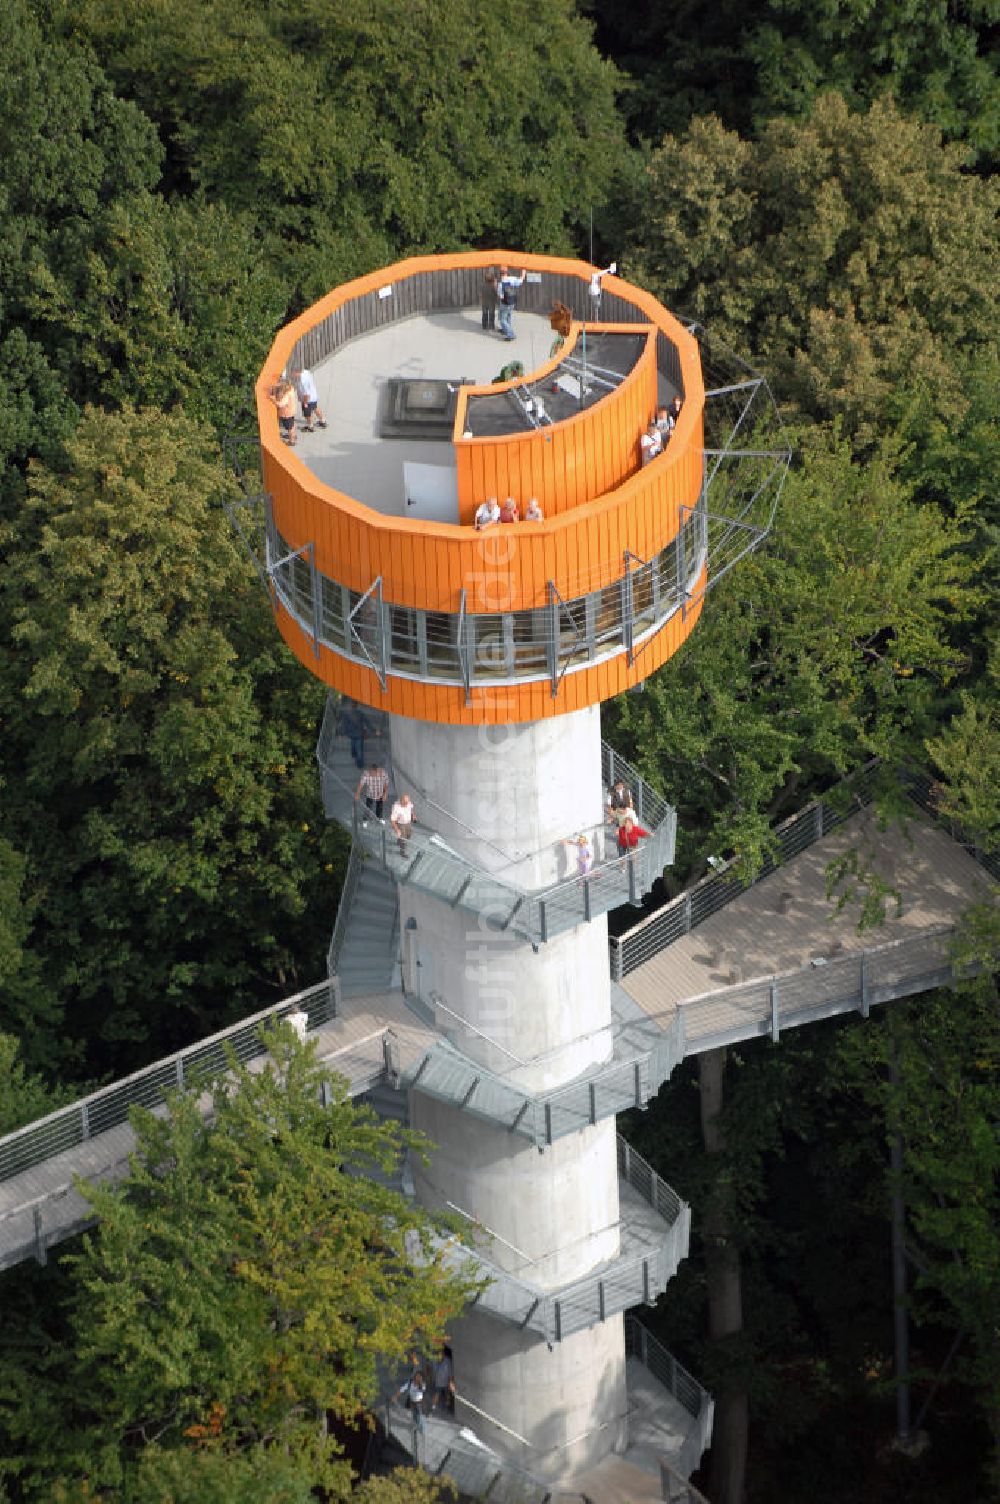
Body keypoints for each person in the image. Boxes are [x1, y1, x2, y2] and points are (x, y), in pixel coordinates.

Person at [291, 367, 328, 432]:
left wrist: (305, 403)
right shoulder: (305, 372)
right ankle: (323, 421)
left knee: (307, 414)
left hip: (307, 399)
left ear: (297, 372)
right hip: (313, 396)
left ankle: (310, 426)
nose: (292, 374)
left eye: (293, 373)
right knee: (315, 408)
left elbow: (306, 395)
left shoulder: (303, 381)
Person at [337, 699, 369, 769]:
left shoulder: (347, 714)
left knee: (355, 746)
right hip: (357, 734)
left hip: (353, 734)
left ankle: (356, 757)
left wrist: (341, 734)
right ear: (356, 705)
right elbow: (367, 722)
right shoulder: (359, 713)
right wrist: (373, 730)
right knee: (357, 749)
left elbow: (343, 725)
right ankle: (358, 762)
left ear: (350, 705)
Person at [497, 265, 526, 341]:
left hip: (505, 304)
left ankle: (510, 334)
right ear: (507, 272)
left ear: (500, 274)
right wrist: (523, 273)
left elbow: (500, 296)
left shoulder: (500, 284)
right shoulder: (512, 279)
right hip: (512, 302)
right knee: (508, 316)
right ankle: (505, 330)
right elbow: (521, 281)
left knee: (503, 319)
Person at [356, 760, 389, 825]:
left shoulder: (383, 773)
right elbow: (361, 785)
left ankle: (379, 818)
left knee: (380, 807)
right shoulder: (366, 774)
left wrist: (385, 794)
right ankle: (365, 820)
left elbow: (386, 783)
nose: (372, 774)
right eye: (371, 773)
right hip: (370, 794)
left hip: (380, 793)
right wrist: (357, 794)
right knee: (368, 807)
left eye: (374, 773)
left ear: (377, 771)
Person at [268, 376, 298, 446]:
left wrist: (273, 400)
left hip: (286, 414)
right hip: (291, 411)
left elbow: (281, 404)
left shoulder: (287, 394)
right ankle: (293, 435)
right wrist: (273, 386)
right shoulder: (291, 389)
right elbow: (279, 385)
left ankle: (291, 441)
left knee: (289, 428)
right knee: (291, 425)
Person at [396, 1366, 427, 1431]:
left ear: (421, 1378)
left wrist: (420, 1383)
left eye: (419, 1376)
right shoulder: (410, 1383)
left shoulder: (422, 1384)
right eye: (417, 1376)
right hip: (412, 1402)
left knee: (420, 1416)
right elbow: (402, 1389)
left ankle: (422, 1428)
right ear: (415, 1376)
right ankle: (415, 1426)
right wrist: (395, 1396)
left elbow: (422, 1389)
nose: (417, 1377)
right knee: (414, 1415)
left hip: (419, 1403)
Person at [431, 1346, 454, 1412]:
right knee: (436, 1394)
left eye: (441, 1353)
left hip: (446, 1382)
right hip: (438, 1382)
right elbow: (430, 1368)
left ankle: (448, 1407)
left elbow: (450, 1372)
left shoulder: (448, 1361)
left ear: (443, 1354)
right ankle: (433, 1408)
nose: (439, 1355)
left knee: (447, 1394)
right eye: (438, 1354)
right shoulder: (434, 1360)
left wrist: (451, 1382)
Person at [481, 266, 499, 331]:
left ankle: (484, 325)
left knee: (484, 314)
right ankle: (491, 326)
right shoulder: (493, 285)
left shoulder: (483, 284)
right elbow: (496, 293)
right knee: (491, 314)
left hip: (484, 302)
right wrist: (496, 284)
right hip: (491, 302)